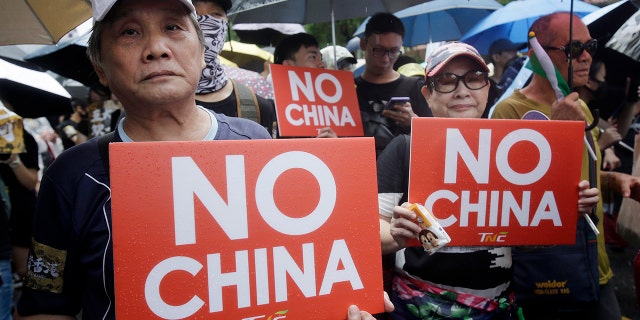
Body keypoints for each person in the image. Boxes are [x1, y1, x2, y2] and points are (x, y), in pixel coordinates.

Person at [14, 1, 384, 319]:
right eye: (129, 32)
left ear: (202, 48)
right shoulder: (74, 176)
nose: (156, 48)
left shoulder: (254, 142)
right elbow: (45, 305)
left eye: (173, 27)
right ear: (100, 68)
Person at [377, 41, 599, 319]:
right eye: (446, 80)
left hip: (499, 308)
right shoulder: (405, 148)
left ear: (487, 89)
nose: (462, 91)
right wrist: (397, 235)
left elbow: (528, 241)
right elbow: (370, 229)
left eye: (474, 79)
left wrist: (564, 210)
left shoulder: (516, 152)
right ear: (427, 94)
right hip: (416, 307)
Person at [491, 12, 640, 319]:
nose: (586, 57)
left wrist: (613, 181)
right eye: (574, 49)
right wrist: (556, 133)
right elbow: (515, 200)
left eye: (590, 46)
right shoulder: (509, 111)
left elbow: (583, 174)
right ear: (538, 55)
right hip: (551, 268)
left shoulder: (580, 105)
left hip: (596, 262)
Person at [192, 0, 277, 137]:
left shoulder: (258, 106)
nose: (207, 22)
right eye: (195, 14)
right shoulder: (154, 102)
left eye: (216, 14)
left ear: (225, 24)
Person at [356, 12, 431, 157]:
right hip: (358, 169)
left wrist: (414, 122)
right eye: (378, 50)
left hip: (402, 174)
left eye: (393, 52)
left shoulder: (415, 87)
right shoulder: (349, 90)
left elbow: (434, 138)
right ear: (363, 44)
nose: (385, 59)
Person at [274, 32, 338, 138]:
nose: (322, 64)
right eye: (312, 57)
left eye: (321, 58)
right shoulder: (272, 112)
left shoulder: (336, 110)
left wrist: (338, 144)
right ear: (288, 66)